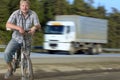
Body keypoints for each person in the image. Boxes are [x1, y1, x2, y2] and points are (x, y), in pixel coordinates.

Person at [4, 0, 41, 79]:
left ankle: (24, 75)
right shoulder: (15, 13)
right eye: (23, 5)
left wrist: (34, 27)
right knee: (7, 53)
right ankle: (10, 68)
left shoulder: (33, 14)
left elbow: (38, 25)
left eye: (26, 6)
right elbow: (8, 24)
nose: (24, 7)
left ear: (29, 6)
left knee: (25, 58)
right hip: (16, 38)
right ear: (20, 6)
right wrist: (18, 28)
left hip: (27, 39)